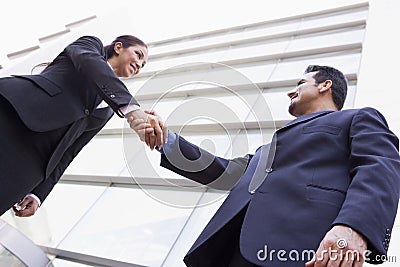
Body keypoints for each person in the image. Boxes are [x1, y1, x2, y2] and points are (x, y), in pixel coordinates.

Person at [129, 65, 400, 266]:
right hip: (234, 252)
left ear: (325, 85)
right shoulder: (266, 150)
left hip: (303, 251)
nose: (291, 91)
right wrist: (167, 139)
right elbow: (224, 173)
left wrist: (354, 227)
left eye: (301, 83)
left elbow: (380, 166)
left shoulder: (358, 118)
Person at [0, 35, 166, 217]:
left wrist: (39, 193)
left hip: (31, 165)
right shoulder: (90, 46)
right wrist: (134, 112)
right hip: (14, 116)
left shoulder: (109, 110)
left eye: (143, 65)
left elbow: (71, 150)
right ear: (118, 47)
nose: (139, 65)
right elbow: (93, 66)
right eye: (138, 55)